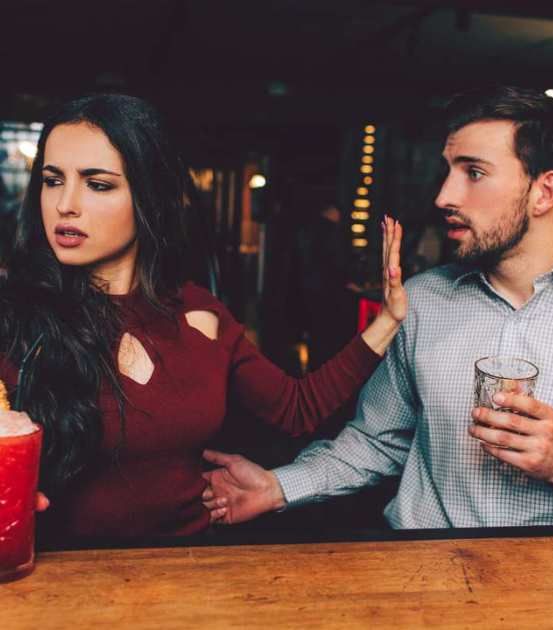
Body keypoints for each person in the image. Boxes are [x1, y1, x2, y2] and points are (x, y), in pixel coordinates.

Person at [0, 94, 407, 539]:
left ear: (150, 197)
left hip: (191, 572)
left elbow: (297, 409)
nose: (65, 205)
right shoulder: (16, 318)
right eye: (52, 180)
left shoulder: (200, 314)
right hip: (64, 582)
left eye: (98, 184)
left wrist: (387, 321)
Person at [202, 86, 553, 529]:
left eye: (475, 173)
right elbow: (377, 441)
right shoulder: (424, 300)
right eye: (449, 171)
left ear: (544, 193)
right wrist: (277, 486)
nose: (444, 196)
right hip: (421, 576)